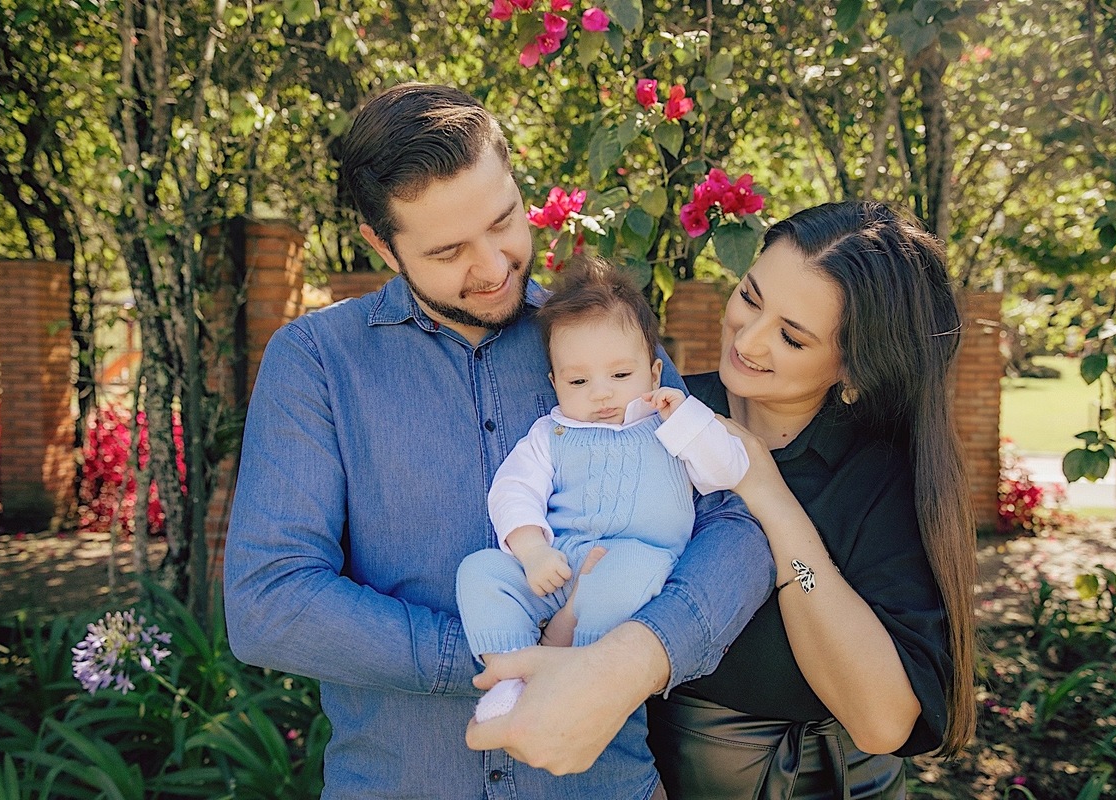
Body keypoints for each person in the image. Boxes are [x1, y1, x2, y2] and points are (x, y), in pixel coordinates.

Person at [222, 82, 773, 799]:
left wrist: (627, 661)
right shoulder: (317, 362)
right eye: (448, 250)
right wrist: (503, 656)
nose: (492, 267)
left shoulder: (601, 337)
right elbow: (270, 600)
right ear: (382, 245)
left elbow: (737, 524)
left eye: (504, 221)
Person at [645, 201, 978, 799]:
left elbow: (882, 721)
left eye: (791, 337)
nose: (748, 339)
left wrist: (769, 497)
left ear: (853, 370)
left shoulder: (879, 477)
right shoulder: (655, 418)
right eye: (750, 298)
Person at [456, 257, 749, 722]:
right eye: (578, 380)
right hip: (559, 565)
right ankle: (510, 678)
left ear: (654, 374)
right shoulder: (550, 433)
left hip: (637, 559)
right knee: (480, 572)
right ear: (555, 383)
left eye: (620, 375)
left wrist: (687, 419)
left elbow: (727, 472)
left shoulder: (669, 426)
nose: (601, 393)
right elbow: (513, 491)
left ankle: (586, 681)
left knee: (619, 579)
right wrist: (533, 552)